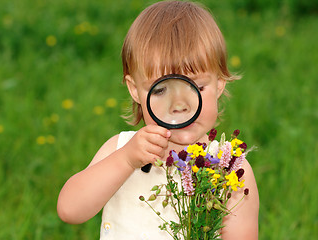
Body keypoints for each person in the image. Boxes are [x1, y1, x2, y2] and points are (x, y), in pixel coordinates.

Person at [57, 1, 259, 239]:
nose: (179, 105)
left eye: (197, 87)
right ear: (135, 90)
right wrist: (125, 160)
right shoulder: (120, 149)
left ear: (218, 85)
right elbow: (70, 210)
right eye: (161, 90)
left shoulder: (230, 170)